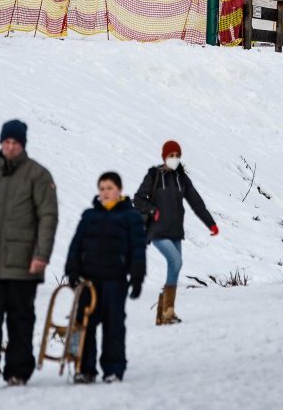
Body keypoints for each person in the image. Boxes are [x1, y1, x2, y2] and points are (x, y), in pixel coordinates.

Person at [0, 120, 59, 391]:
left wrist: (41, 255)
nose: (10, 147)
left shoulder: (38, 175)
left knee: (20, 319)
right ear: (1, 143)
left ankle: (17, 372)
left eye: (15, 143)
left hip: (24, 263)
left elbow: (48, 217)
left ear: (23, 145)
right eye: (6, 142)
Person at [64, 172, 146, 384]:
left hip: (115, 280)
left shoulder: (130, 217)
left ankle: (113, 368)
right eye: (101, 188)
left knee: (114, 325)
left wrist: (137, 277)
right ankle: (85, 369)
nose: (105, 192)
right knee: (85, 325)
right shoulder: (90, 215)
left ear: (119, 190)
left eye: (109, 188)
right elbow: (76, 244)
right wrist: (72, 270)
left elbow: (138, 249)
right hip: (89, 281)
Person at [133, 141, 218, 325]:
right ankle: (168, 312)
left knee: (176, 267)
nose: (174, 159)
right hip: (157, 231)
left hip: (175, 231)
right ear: (164, 156)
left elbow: (196, 202)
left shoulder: (182, 179)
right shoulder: (154, 175)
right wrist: (152, 210)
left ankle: (162, 312)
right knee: (175, 261)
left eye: (177, 155)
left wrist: (210, 224)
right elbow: (138, 199)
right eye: (171, 155)